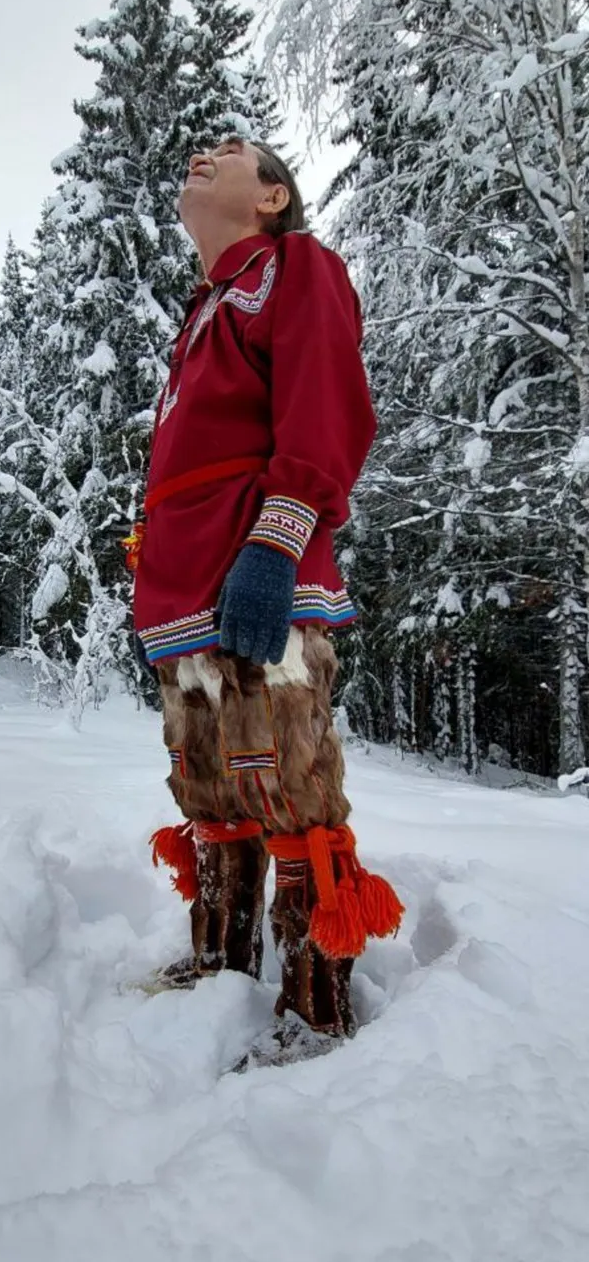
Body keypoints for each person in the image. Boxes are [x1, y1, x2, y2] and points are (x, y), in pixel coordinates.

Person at [126, 135, 403, 1056]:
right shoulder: (201, 311)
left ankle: (316, 1014)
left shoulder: (295, 267)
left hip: (258, 573)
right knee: (210, 787)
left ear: (274, 197)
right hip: (183, 595)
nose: (201, 155)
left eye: (231, 151)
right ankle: (222, 970)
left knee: (289, 786)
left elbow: (327, 405)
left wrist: (278, 541)